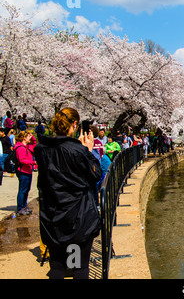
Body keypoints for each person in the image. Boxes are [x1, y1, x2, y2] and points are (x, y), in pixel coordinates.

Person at [34, 107, 102, 279]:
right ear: (73, 125)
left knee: (57, 267)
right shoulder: (77, 150)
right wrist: (88, 151)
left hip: (52, 215)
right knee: (78, 267)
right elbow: (95, 174)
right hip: (77, 217)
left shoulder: (41, 149)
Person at [14, 131, 37, 215]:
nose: (29, 138)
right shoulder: (21, 148)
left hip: (28, 170)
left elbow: (34, 146)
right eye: (28, 136)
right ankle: (20, 207)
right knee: (23, 190)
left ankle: (24, 206)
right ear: (24, 138)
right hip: (23, 171)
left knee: (26, 189)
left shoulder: (27, 147)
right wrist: (33, 162)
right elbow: (22, 160)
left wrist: (33, 138)